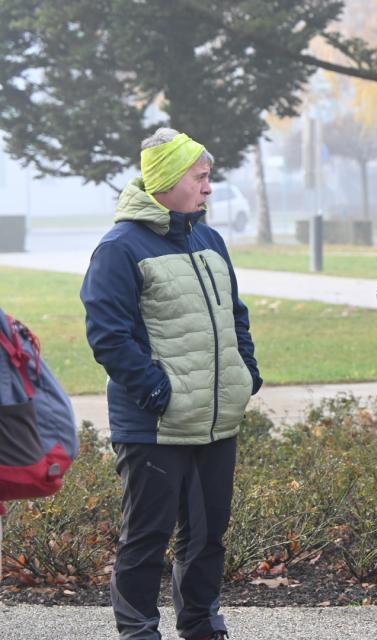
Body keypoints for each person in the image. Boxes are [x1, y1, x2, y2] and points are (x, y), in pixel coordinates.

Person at [81, 127, 262, 640]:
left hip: (215, 422)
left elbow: (236, 315)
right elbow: (108, 336)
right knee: (146, 537)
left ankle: (202, 625)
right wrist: (158, 394)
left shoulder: (209, 240)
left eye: (209, 177)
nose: (209, 187)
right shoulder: (119, 248)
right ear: (166, 181)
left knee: (208, 537)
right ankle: (138, 630)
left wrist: (245, 373)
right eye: (200, 177)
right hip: (154, 426)